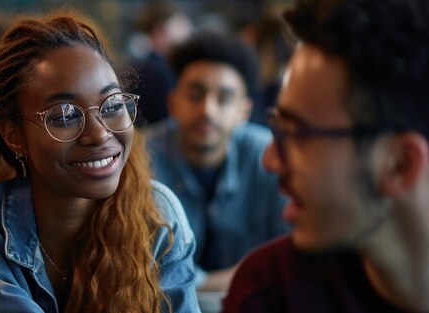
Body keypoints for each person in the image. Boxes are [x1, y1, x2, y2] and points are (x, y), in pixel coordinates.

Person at [0, 11, 199, 313]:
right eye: (65, 115)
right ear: (14, 136)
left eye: (112, 104)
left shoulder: (157, 216)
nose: (99, 134)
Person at [223, 0, 429, 312]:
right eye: (278, 125)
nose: (270, 160)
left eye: (298, 135)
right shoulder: (270, 290)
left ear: (401, 165)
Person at [144, 31, 289, 292]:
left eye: (224, 99)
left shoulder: (268, 157)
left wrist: (195, 284)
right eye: (195, 95)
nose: (207, 110)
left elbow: (290, 259)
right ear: (173, 102)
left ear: (243, 111)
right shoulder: (142, 160)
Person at [130, 1, 193, 126]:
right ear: (160, 30)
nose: (188, 31)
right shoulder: (160, 73)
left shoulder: (143, 67)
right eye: (179, 25)